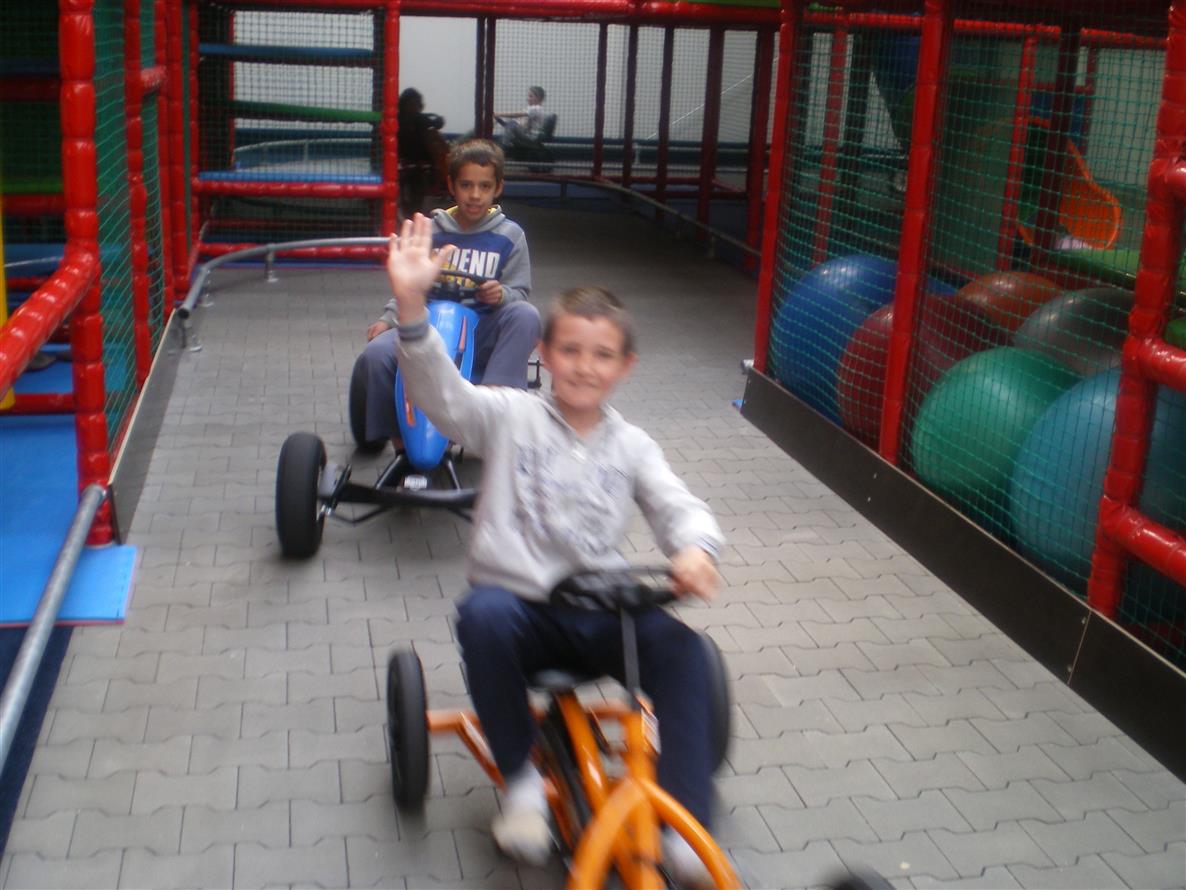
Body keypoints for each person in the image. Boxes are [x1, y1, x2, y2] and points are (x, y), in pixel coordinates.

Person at [385, 213, 725, 884]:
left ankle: (686, 817)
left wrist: (695, 549)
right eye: (570, 351)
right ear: (544, 351)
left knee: (684, 652)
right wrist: (411, 308)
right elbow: (444, 399)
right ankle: (520, 784)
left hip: (599, 613)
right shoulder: (510, 414)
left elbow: (674, 502)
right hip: (520, 613)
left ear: (625, 367)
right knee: (482, 616)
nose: (584, 367)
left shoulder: (632, 445)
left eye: (602, 355)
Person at [358, 139, 540, 448]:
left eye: (484, 186)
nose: (475, 195)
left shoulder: (509, 235)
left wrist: (501, 294)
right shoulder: (431, 231)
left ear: (498, 188)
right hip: (426, 328)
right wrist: (389, 318)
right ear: (452, 185)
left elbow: (519, 291)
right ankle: (402, 442)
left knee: (526, 315)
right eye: (466, 185)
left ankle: (493, 416)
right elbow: (408, 281)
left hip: (480, 330)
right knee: (375, 355)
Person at [397, 88, 449, 216]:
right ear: (404, 105)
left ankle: (445, 174)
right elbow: (437, 123)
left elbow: (436, 123)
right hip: (409, 159)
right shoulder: (412, 120)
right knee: (432, 134)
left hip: (417, 161)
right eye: (411, 104)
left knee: (432, 134)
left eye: (416, 104)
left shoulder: (419, 120)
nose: (414, 108)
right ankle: (445, 176)